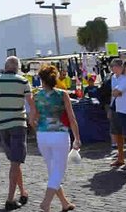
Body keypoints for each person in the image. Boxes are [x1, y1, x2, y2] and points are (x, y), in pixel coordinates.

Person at [0, 56, 36, 211]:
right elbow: (31, 105)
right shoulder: (23, 81)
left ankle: (23, 192)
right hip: (18, 124)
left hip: (1, 125)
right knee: (15, 163)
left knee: (14, 161)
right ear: (17, 67)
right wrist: (33, 121)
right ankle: (10, 199)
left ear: (5, 66)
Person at [33, 65, 81, 212]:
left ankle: (64, 203)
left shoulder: (36, 96)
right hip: (60, 135)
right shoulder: (62, 94)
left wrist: (39, 130)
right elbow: (72, 118)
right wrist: (77, 138)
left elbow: (32, 120)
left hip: (42, 135)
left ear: (41, 79)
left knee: (53, 170)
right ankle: (46, 203)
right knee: (58, 172)